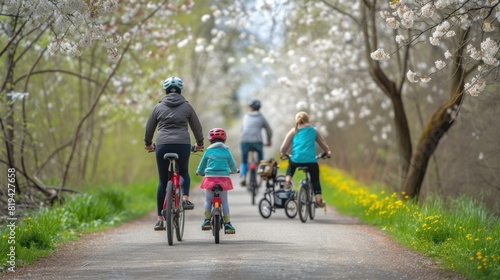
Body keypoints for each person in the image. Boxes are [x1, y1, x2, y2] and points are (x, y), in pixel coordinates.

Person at [144, 76, 204, 231]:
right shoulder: (187, 107)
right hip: (182, 144)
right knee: (183, 171)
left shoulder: (158, 107)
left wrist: (148, 144)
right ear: (180, 90)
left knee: (163, 180)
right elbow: (196, 127)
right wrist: (200, 143)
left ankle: (159, 219)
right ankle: (184, 199)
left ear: (165, 90)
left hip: (162, 145)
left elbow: (149, 128)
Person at [279, 111, 331, 208]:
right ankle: (318, 200)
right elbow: (323, 145)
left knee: (291, 164)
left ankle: (287, 180)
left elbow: (283, 148)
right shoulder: (314, 130)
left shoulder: (293, 131)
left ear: (297, 121)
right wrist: (327, 152)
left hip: (296, 160)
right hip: (311, 162)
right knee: (315, 180)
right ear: (308, 120)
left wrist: (284, 154)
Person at [196, 128, 239, 234]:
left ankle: (206, 221)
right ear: (224, 140)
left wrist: (199, 172)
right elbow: (232, 164)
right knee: (224, 201)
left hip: (210, 178)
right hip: (224, 179)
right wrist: (234, 170)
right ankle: (227, 224)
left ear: (210, 140)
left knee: (208, 200)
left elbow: (202, 165)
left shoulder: (208, 151)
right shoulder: (226, 151)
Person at [239, 99, 272, 186]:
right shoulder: (261, 117)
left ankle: (243, 177)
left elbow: (242, 129)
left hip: (244, 140)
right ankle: (262, 174)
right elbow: (269, 130)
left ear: (251, 108)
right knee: (261, 160)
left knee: (244, 161)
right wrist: (269, 140)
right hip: (257, 141)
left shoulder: (246, 117)